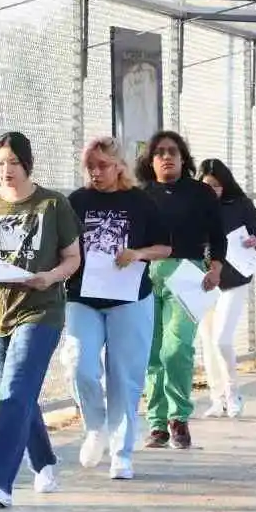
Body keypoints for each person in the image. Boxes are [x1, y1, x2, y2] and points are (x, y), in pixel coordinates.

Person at [0, 131, 81, 508]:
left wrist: (50, 276)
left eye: (13, 162)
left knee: (14, 393)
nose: (6, 170)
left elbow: (73, 258)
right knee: (15, 397)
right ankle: (44, 461)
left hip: (40, 309)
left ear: (27, 164)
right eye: (0, 163)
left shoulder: (53, 205)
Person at [61, 137, 170, 481]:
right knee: (79, 363)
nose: (95, 172)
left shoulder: (141, 202)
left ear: (119, 165)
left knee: (124, 377)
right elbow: (61, 247)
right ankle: (95, 426)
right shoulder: (76, 202)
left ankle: (122, 453)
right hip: (83, 296)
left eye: (102, 165)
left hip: (131, 298)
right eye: (90, 166)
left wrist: (138, 254)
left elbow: (165, 247)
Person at [136, 130, 225, 450]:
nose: (167, 157)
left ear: (184, 157)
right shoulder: (140, 194)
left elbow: (218, 235)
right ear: (150, 160)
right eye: (159, 152)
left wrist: (215, 267)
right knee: (151, 350)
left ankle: (179, 417)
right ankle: (157, 423)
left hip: (187, 275)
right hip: (144, 275)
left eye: (173, 151)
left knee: (176, 348)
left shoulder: (200, 193)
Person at [197, 159, 256, 418]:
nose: (211, 190)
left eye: (216, 185)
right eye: (206, 185)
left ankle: (233, 392)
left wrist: (254, 240)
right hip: (204, 282)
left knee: (221, 339)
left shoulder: (240, 205)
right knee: (206, 341)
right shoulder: (195, 209)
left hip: (234, 278)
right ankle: (217, 398)